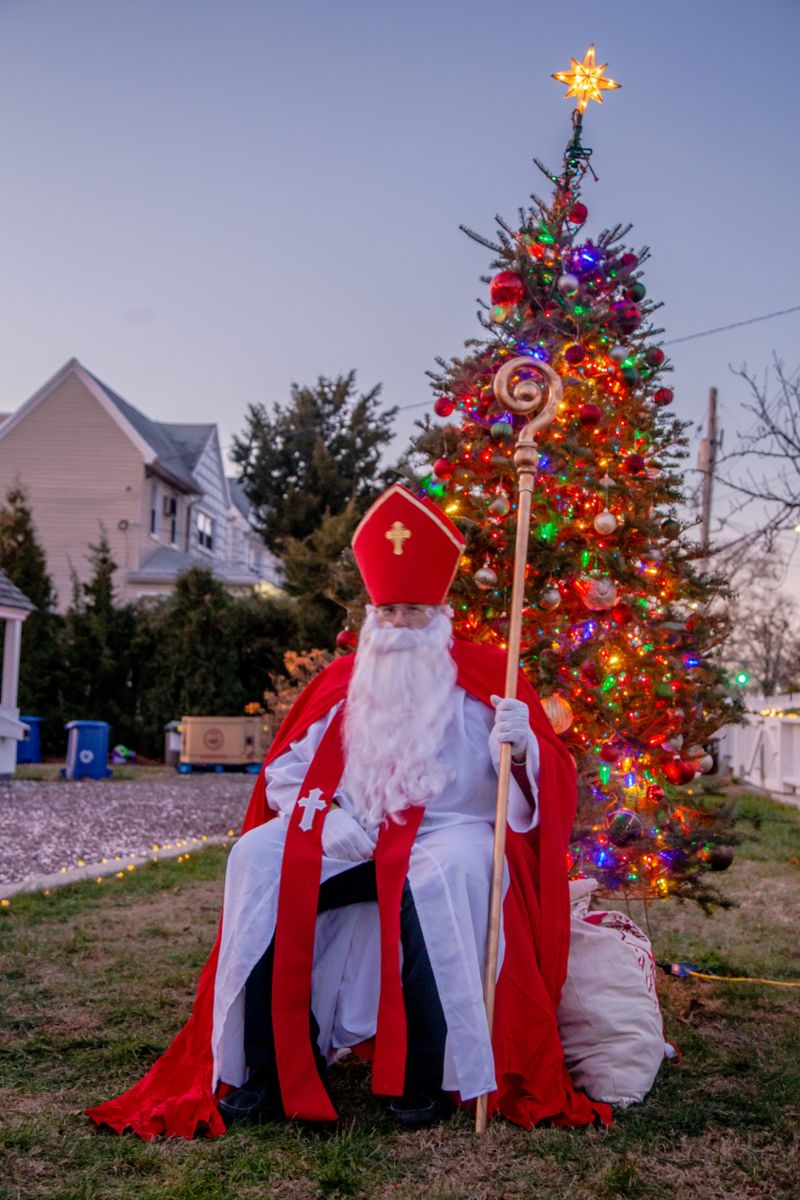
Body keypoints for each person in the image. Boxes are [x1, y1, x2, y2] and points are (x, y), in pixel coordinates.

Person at [86, 484, 610, 1139]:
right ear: (370, 613)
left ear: (440, 611)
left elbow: (545, 790)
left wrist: (525, 743)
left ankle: (420, 1079)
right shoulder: (343, 682)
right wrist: (323, 817)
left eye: (414, 610)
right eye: (388, 610)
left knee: (447, 876)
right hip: (350, 826)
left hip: (449, 833)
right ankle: (267, 1067)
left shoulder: (487, 679)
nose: (399, 625)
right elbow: (283, 773)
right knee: (261, 857)